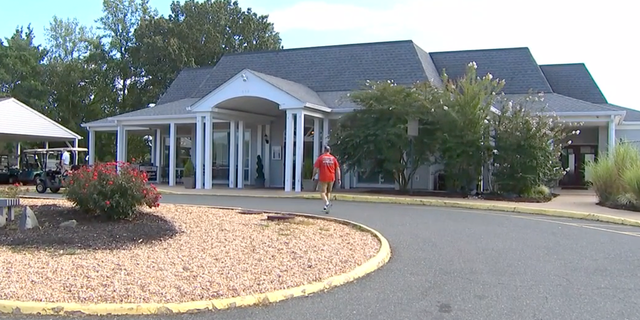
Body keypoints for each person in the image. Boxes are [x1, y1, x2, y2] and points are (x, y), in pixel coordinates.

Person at [312, 146, 341, 213]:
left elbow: (316, 169)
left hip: (323, 177)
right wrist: (339, 178)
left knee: (322, 192)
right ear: (329, 151)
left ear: (324, 150)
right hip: (332, 177)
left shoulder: (321, 158)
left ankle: (327, 203)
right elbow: (337, 169)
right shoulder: (333, 159)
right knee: (328, 192)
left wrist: (313, 176)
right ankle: (326, 206)